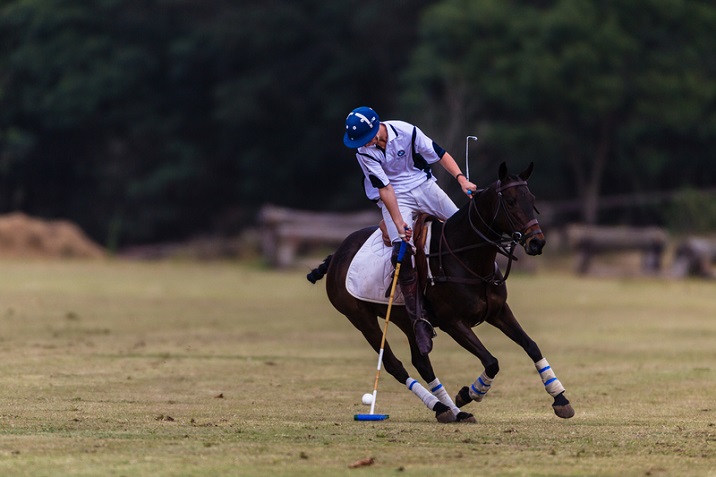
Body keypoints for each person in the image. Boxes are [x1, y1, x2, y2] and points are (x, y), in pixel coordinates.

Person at [343, 106, 477, 355]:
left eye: (366, 137)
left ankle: (477, 289)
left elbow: (440, 154)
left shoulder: (406, 131)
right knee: (402, 251)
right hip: (395, 196)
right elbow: (385, 189)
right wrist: (398, 222)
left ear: (377, 126)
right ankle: (419, 320)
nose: (364, 143)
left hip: (424, 186)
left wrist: (461, 179)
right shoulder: (363, 152)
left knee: (465, 228)